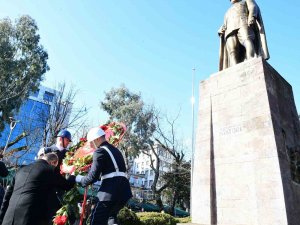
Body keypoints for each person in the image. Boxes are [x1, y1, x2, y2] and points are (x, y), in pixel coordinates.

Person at [73, 127, 132, 225]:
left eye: (91, 142)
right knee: (111, 218)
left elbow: (93, 176)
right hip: (123, 192)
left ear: (97, 139)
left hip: (109, 192)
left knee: (96, 220)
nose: (91, 146)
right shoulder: (116, 150)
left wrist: (78, 178)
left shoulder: (100, 151)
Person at [0, 153, 75, 225]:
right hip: (30, 218)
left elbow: (7, 196)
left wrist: (1, 218)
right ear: (53, 163)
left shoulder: (20, 170)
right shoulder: (50, 169)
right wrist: (72, 174)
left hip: (8, 218)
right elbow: (67, 185)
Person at [218, 0, 269, 70]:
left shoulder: (245, 1)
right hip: (229, 30)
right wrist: (221, 29)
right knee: (232, 51)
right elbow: (225, 23)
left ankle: (251, 58)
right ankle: (234, 68)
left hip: (243, 23)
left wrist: (252, 16)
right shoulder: (227, 11)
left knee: (247, 40)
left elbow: (253, 7)